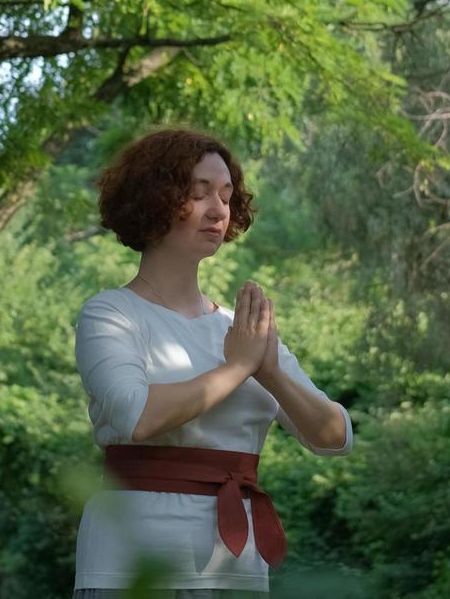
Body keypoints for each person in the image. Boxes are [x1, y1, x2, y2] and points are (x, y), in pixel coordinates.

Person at [72, 128, 352, 598]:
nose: (219, 210)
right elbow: (135, 416)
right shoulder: (111, 313)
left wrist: (271, 372)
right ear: (153, 199)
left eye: (226, 195)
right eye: (198, 193)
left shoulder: (240, 328)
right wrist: (238, 367)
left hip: (236, 570)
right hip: (130, 567)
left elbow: (335, 436)